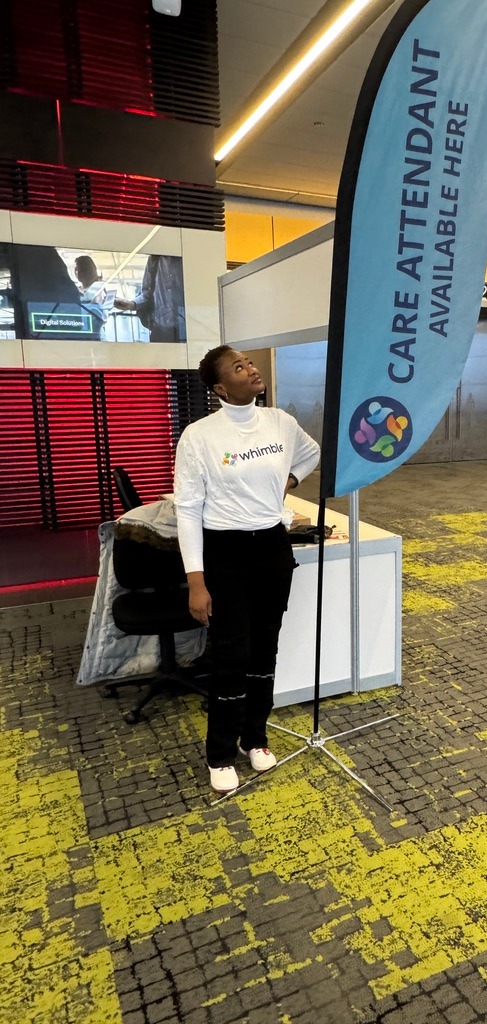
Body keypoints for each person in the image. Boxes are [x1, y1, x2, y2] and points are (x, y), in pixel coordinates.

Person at [173, 345, 320, 794]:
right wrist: (196, 582)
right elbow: (187, 510)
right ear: (220, 388)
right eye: (239, 367)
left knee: (265, 650)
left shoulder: (280, 422)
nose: (251, 369)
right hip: (225, 553)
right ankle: (219, 753)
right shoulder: (199, 436)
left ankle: (253, 737)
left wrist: (286, 483)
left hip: (272, 548)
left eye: (249, 363)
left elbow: (310, 453)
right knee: (231, 654)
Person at [114, 254, 185, 343]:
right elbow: (147, 293)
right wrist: (131, 304)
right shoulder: (155, 258)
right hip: (159, 331)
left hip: (185, 331)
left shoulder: (188, 256)